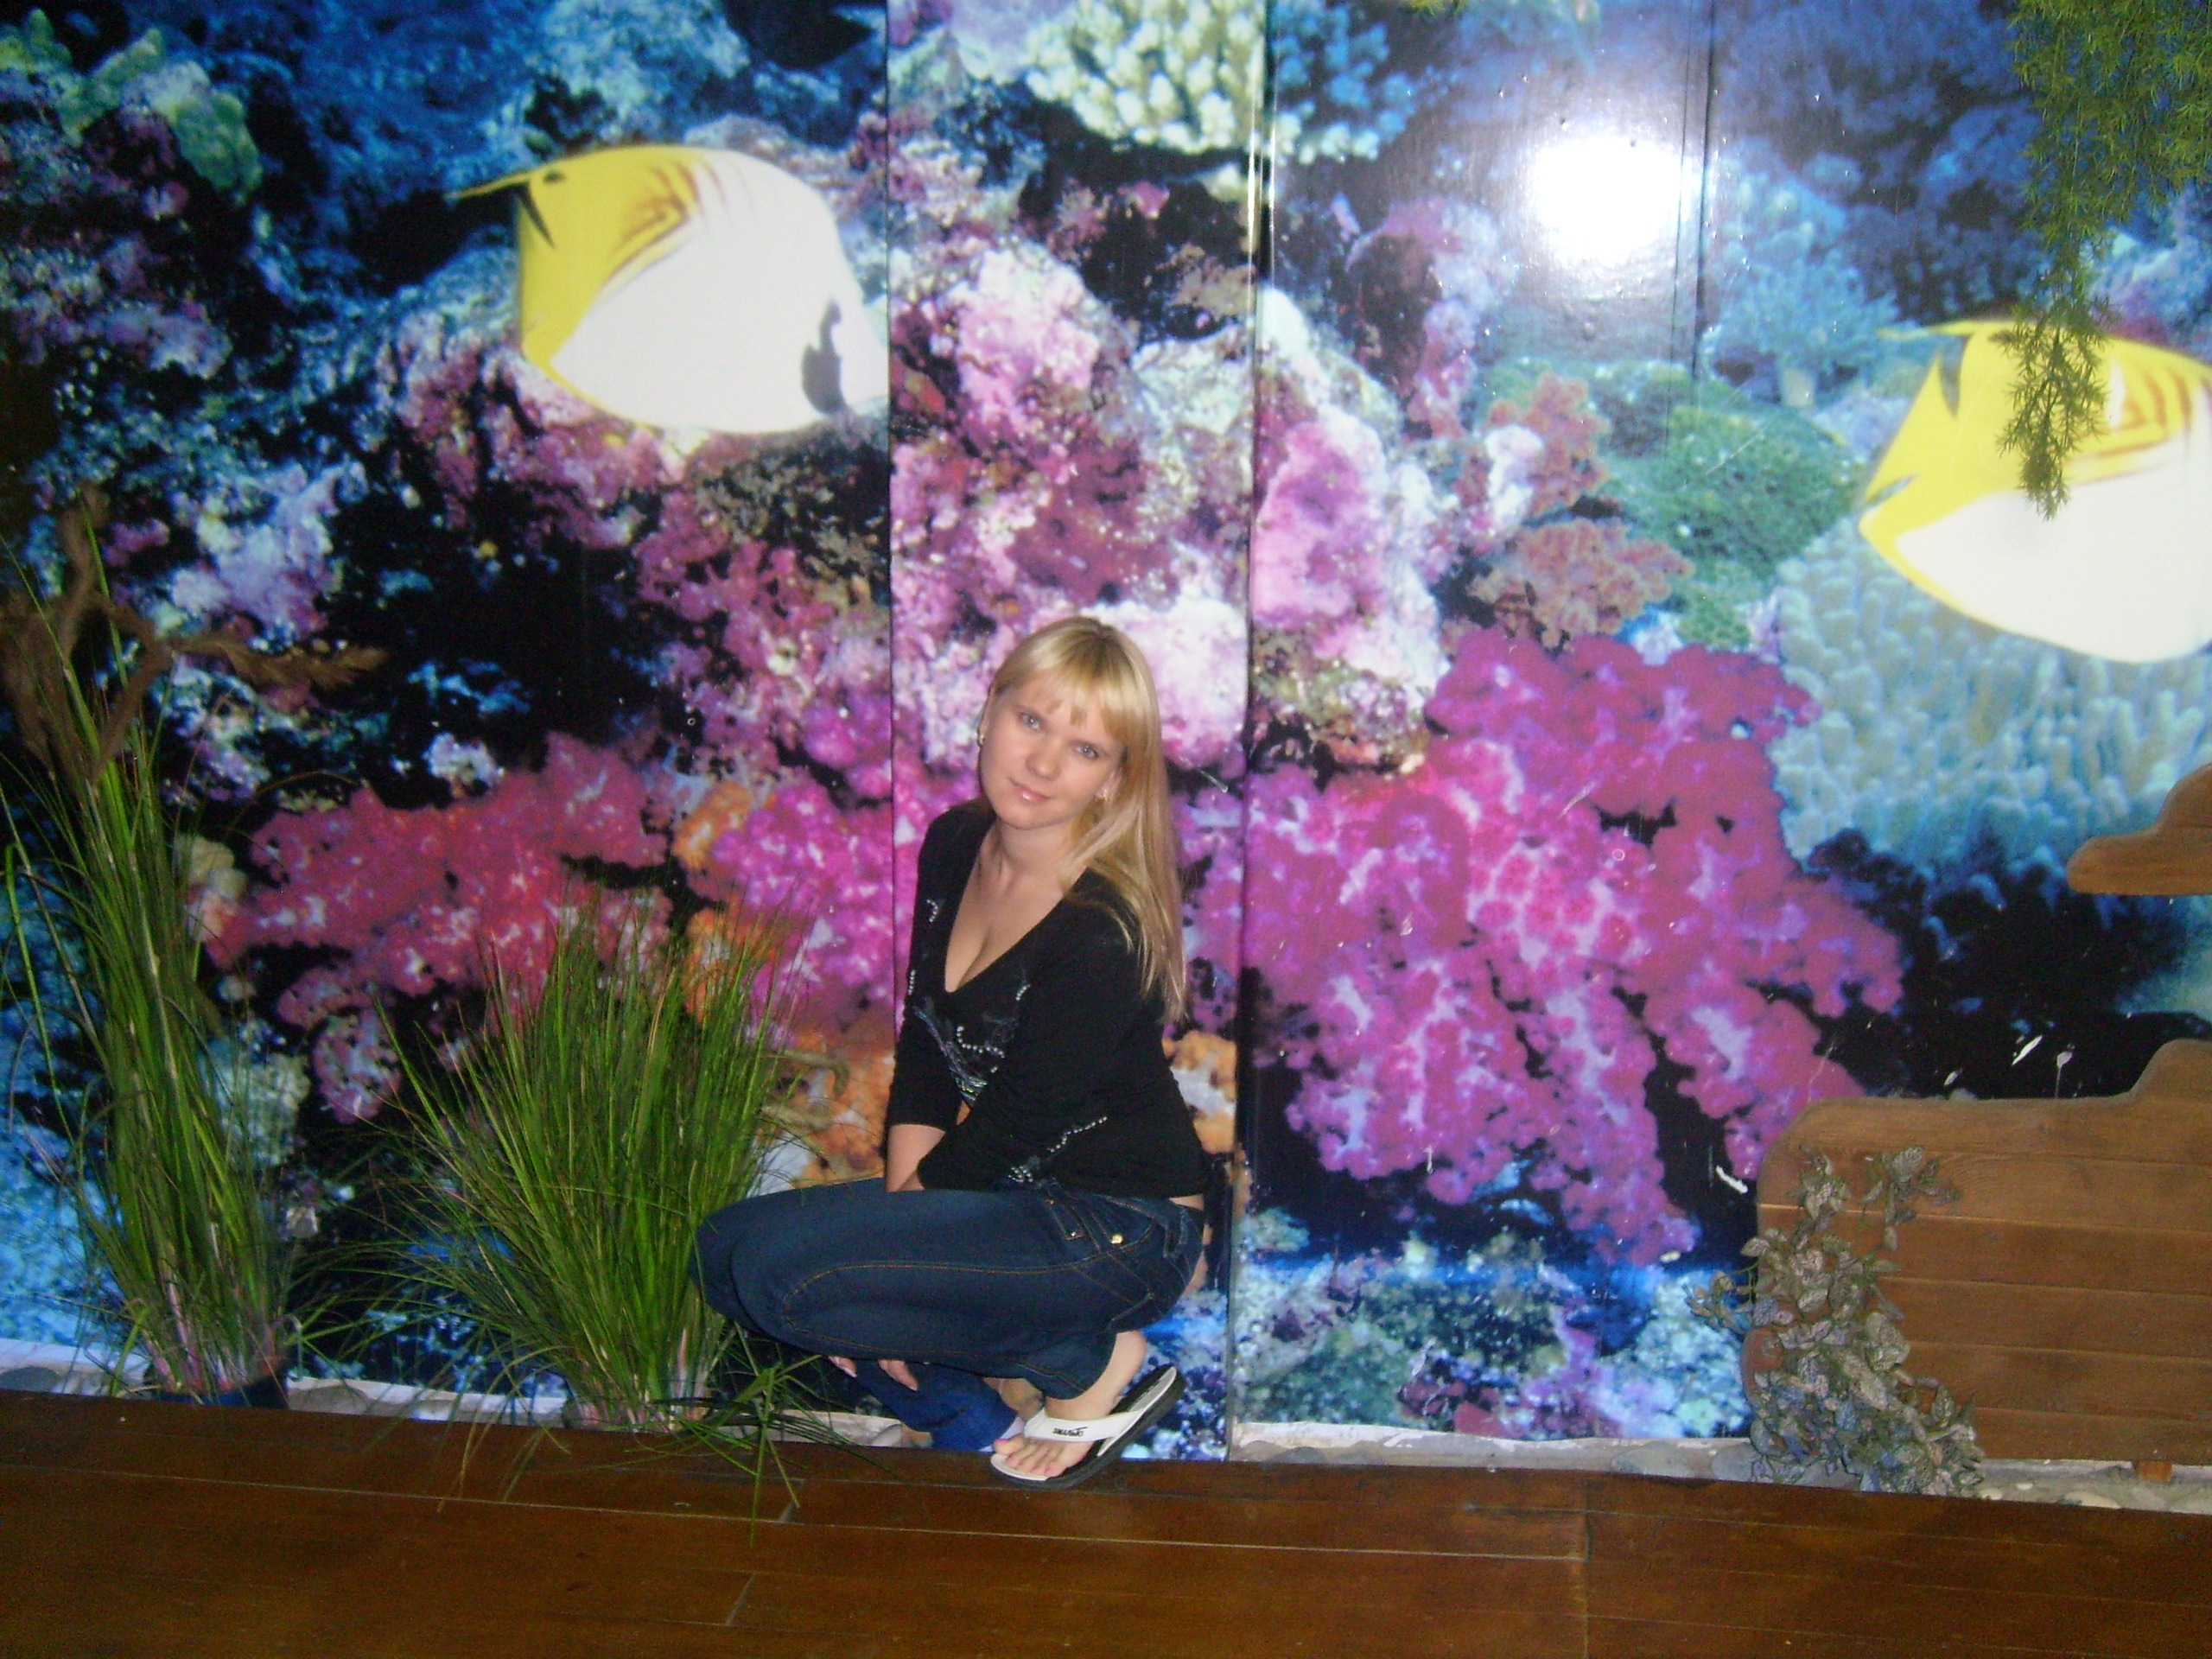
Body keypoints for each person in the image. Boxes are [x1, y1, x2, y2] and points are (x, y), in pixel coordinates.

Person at [695, 616, 1211, 1487]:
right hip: (1009, 1202)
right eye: (1031, 721)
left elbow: (1015, 1123)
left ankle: (1091, 1363)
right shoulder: (954, 843)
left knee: (785, 1281)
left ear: (1115, 778)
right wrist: (902, 1247)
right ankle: (977, 1426)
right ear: (989, 712)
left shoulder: (1102, 928)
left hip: (1121, 1231)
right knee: (724, 1252)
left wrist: (900, 1264)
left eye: (1085, 749)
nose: (1042, 763)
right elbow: (927, 1046)